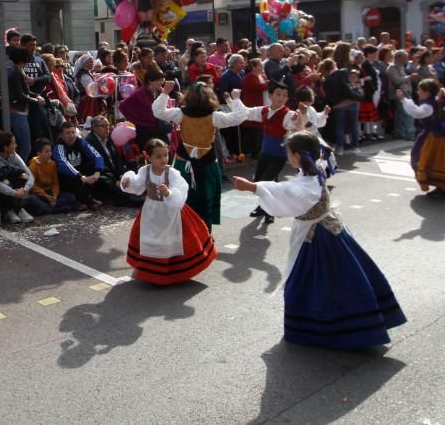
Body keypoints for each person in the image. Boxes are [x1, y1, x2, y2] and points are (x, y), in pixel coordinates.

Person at [233, 132, 407, 350]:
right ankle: (355, 324)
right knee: (343, 280)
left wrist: (252, 187)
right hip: (329, 231)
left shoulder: (305, 186)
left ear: (297, 156)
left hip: (317, 238)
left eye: (288, 152)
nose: (286, 155)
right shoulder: (319, 168)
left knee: (309, 285)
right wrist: (301, 127)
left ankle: (328, 330)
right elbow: (319, 149)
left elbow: (284, 191)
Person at [151, 80, 251, 228]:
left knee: (183, 198)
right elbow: (240, 116)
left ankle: (185, 233)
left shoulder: (180, 114)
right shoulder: (214, 117)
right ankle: (204, 235)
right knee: (205, 199)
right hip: (207, 164)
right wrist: (235, 99)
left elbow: (158, 111)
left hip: (183, 163)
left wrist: (165, 92)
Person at [120, 138, 218, 285]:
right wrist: (128, 181)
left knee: (171, 241)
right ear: (148, 157)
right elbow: (137, 184)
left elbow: (182, 188)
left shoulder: (171, 172)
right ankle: (148, 269)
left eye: (166, 155)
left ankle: (172, 272)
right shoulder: (144, 171)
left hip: (171, 211)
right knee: (150, 238)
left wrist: (169, 193)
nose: (164, 159)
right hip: (151, 211)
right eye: (158, 156)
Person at [397, 80, 445, 198]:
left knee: (430, 160)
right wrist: (444, 92)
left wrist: (403, 99)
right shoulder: (437, 101)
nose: (418, 92)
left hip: (435, 136)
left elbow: (416, 112)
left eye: (420, 90)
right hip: (442, 134)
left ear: (427, 92)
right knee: (441, 161)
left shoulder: (427, 106)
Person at [244, 81, 293, 225]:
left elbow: (297, 124)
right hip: (265, 152)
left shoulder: (288, 114)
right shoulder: (263, 110)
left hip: (279, 154)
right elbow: (246, 112)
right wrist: (232, 99)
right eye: (278, 94)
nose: (281, 97)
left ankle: (269, 211)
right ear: (270, 95)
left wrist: (300, 118)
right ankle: (262, 207)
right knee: (260, 181)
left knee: (266, 182)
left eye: (284, 95)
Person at [84, 115, 142, 207]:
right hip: (100, 173)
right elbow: (96, 164)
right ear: (94, 128)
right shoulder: (89, 142)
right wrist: (115, 179)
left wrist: (121, 174)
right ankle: (127, 199)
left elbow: (116, 158)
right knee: (106, 180)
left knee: (132, 163)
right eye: (103, 126)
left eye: (108, 125)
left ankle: (136, 191)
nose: (107, 128)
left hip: (114, 171)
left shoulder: (109, 138)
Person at [0, 131, 36, 224]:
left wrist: (25, 189)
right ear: (5, 147)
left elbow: (30, 175)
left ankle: (16, 210)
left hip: (9, 185)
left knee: (23, 176)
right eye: (13, 143)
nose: (16, 145)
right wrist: (14, 193)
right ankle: (12, 210)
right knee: (2, 181)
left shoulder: (14, 155)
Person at [53, 121, 104, 210]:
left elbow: (97, 156)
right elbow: (63, 164)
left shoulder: (81, 142)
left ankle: (86, 198)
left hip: (80, 174)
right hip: (67, 177)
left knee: (92, 165)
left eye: (73, 132)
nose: (71, 136)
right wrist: (81, 177)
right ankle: (89, 201)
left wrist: (97, 173)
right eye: (67, 133)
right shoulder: (59, 146)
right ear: (62, 135)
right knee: (69, 177)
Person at [6, 46, 43, 161]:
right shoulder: (15, 73)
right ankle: (17, 170)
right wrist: (36, 102)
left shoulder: (19, 70)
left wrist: (36, 96)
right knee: (25, 146)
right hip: (17, 112)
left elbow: (26, 92)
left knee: (23, 145)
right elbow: (20, 95)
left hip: (22, 111)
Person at [118, 65, 168, 148]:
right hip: (145, 130)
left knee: (165, 148)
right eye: (158, 80)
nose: (161, 82)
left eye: (162, 79)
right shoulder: (141, 93)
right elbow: (123, 106)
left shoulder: (160, 91)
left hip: (159, 127)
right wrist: (137, 119)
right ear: (150, 81)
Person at [27, 138, 76, 215]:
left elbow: (55, 183)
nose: (49, 154)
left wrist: (55, 196)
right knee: (31, 199)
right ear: (39, 153)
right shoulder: (33, 166)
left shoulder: (52, 164)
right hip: (41, 195)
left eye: (50, 151)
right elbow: (33, 186)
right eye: (46, 152)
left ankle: (47, 209)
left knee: (71, 197)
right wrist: (45, 196)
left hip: (51, 193)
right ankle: (55, 209)